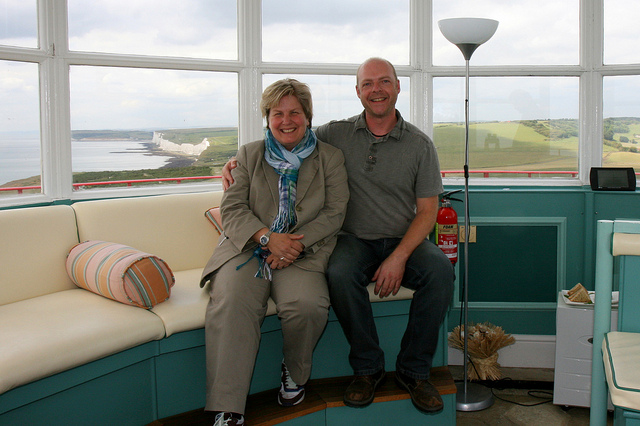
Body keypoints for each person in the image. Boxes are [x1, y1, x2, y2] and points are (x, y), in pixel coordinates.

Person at [222, 58, 454, 415]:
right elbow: (286, 137)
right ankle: (367, 369)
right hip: (352, 240)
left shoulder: (420, 145)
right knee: (340, 274)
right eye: (367, 84)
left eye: (384, 82)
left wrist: (398, 257)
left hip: (402, 239)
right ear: (358, 91)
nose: (376, 90)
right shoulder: (336, 134)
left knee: (440, 273)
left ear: (397, 86)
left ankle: (414, 370)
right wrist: (233, 163)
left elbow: (427, 212)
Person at [201, 78, 349, 426]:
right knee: (233, 304)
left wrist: (291, 244)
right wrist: (268, 238)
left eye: (294, 112)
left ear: (308, 116)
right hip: (247, 250)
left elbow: (335, 212)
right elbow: (234, 209)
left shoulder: (330, 158)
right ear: (267, 118)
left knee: (307, 306)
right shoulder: (248, 155)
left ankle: (294, 371)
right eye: (277, 113)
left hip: (304, 250)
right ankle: (227, 407)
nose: (287, 120)